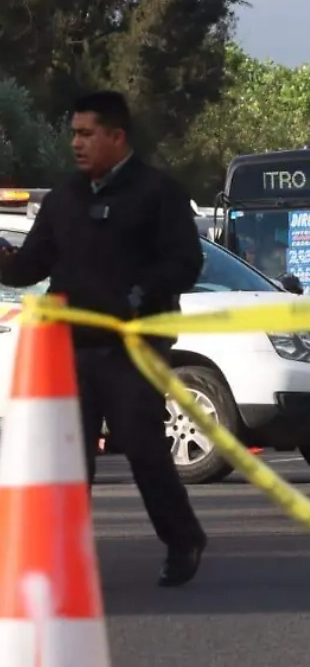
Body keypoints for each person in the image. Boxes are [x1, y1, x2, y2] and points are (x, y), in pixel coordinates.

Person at [0, 90, 208, 586]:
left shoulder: (157, 193)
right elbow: (31, 266)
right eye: (74, 133)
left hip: (134, 346)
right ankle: (62, 557)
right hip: (71, 346)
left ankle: (183, 540)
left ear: (117, 137)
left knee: (141, 446)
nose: (77, 143)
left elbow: (187, 262)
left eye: (87, 133)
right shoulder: (65, 197)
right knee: (68, 455)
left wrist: (140, 293)